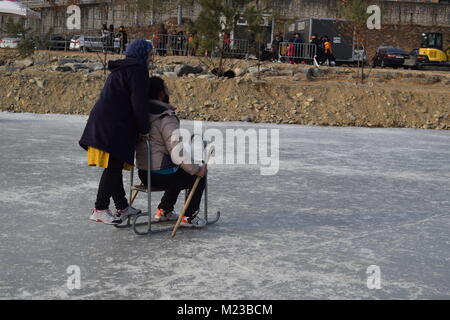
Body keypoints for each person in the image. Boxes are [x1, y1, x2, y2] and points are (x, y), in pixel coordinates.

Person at [79, 39, 154, 225]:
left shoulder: (123, 68)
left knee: (115, 165)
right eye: (150, 54)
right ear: (142, 54)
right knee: (113, 167)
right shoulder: (137, 70)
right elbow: (138, 103)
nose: (152, 58)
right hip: (111, 125)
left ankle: (122, 206)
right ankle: (100, 208)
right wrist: (144, 129)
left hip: (108, 122)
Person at [135, 77, 208, 228]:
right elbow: (176, 150)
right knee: (196, 176)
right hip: (159, 174)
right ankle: (188, 216)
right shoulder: (164, 116)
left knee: (178, 170)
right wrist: (196, 169)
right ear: (160, 94)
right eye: (166, 88)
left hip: (144, 173)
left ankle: (165, 210)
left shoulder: (141, 114)